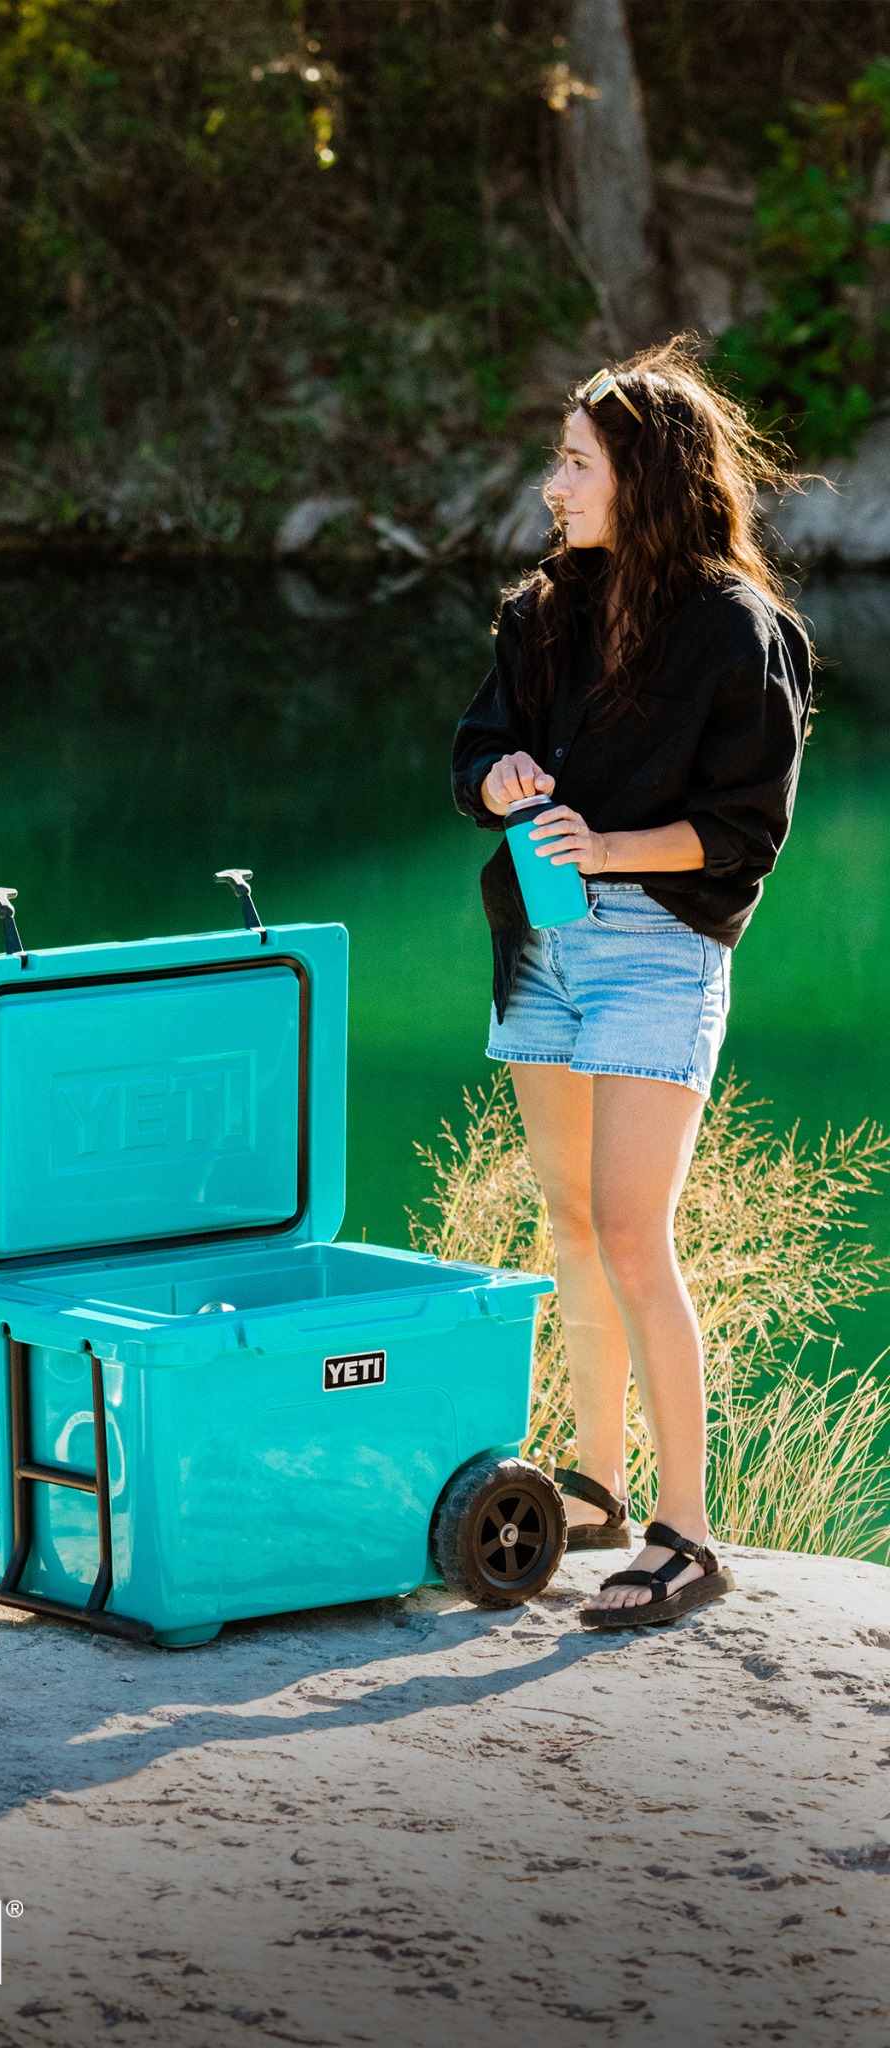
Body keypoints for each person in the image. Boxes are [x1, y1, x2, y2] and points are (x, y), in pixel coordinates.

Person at [451, 342, 811, 1631]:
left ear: (642, 477)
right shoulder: (541, 609)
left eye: (573, 463)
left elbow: (741, 831)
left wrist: (603, 848)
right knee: (567, 1224)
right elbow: (478, 742)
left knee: (627, 1232)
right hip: (538, 941)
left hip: (658, 947)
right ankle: (596, 1489)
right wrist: (496, 776)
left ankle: (687, 1532)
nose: (551, 485)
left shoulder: (737, 629)